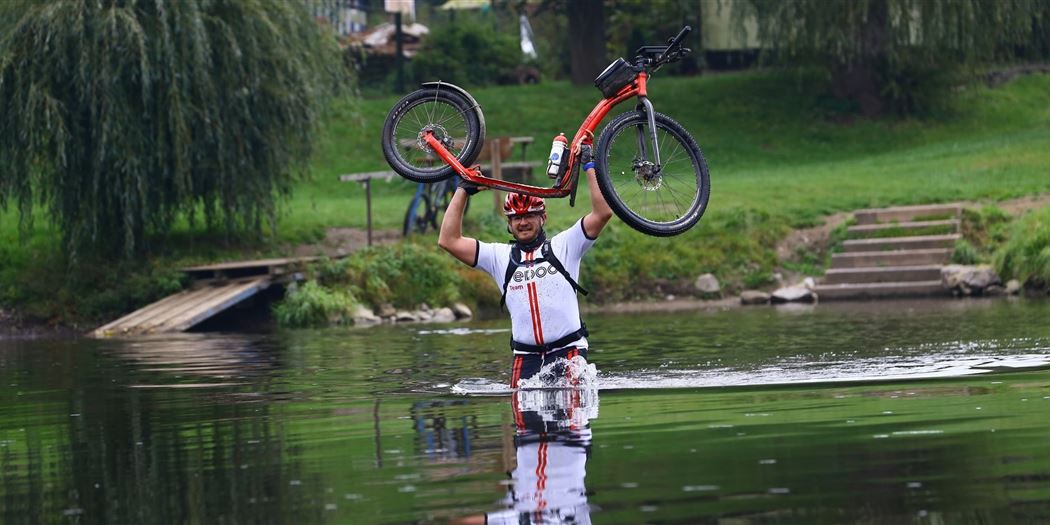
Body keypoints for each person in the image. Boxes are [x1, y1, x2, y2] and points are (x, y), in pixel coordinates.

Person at [438, 145, 613, 388]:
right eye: (516, 218)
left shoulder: (565, 245)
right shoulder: (498, 256)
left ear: (543, 217)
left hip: (569, 352)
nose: (523, 222)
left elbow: (603, 212)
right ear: (509, 224)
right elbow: (448, 240)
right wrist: (463, 190)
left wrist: (589, 166)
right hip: (526, 358)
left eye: (529, 215)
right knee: (525, 424)